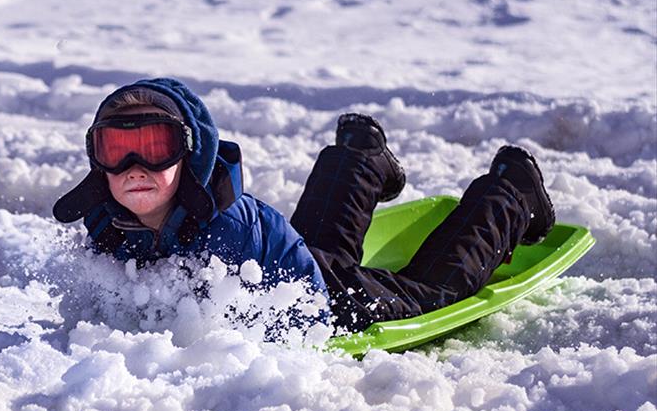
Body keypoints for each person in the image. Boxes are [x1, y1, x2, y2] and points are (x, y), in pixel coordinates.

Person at [53, 77, 554, 333]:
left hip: (321, 296)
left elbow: (301, 304)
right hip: (292, 260)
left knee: (434, 291)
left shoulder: (226, 229)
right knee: (320, 246)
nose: (136, 166)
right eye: (117, 150)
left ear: (190, 153)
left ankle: (510, 194)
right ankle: (360, 156)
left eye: (156, 147)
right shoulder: (106, 223)